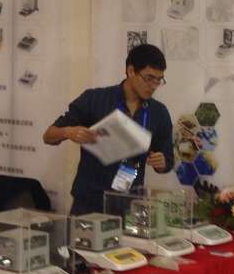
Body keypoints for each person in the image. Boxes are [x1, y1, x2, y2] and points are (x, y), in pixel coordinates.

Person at [43, 43, 174, 215]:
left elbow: (167, 160)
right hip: (89, 203)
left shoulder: (159, 112)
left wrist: (162, 162)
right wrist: (68, 132)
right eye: (149, 78)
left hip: (130, 204)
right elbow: (48, 136)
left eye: (159, 80)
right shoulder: (95, 99)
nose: (154, 86)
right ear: (131, 71)